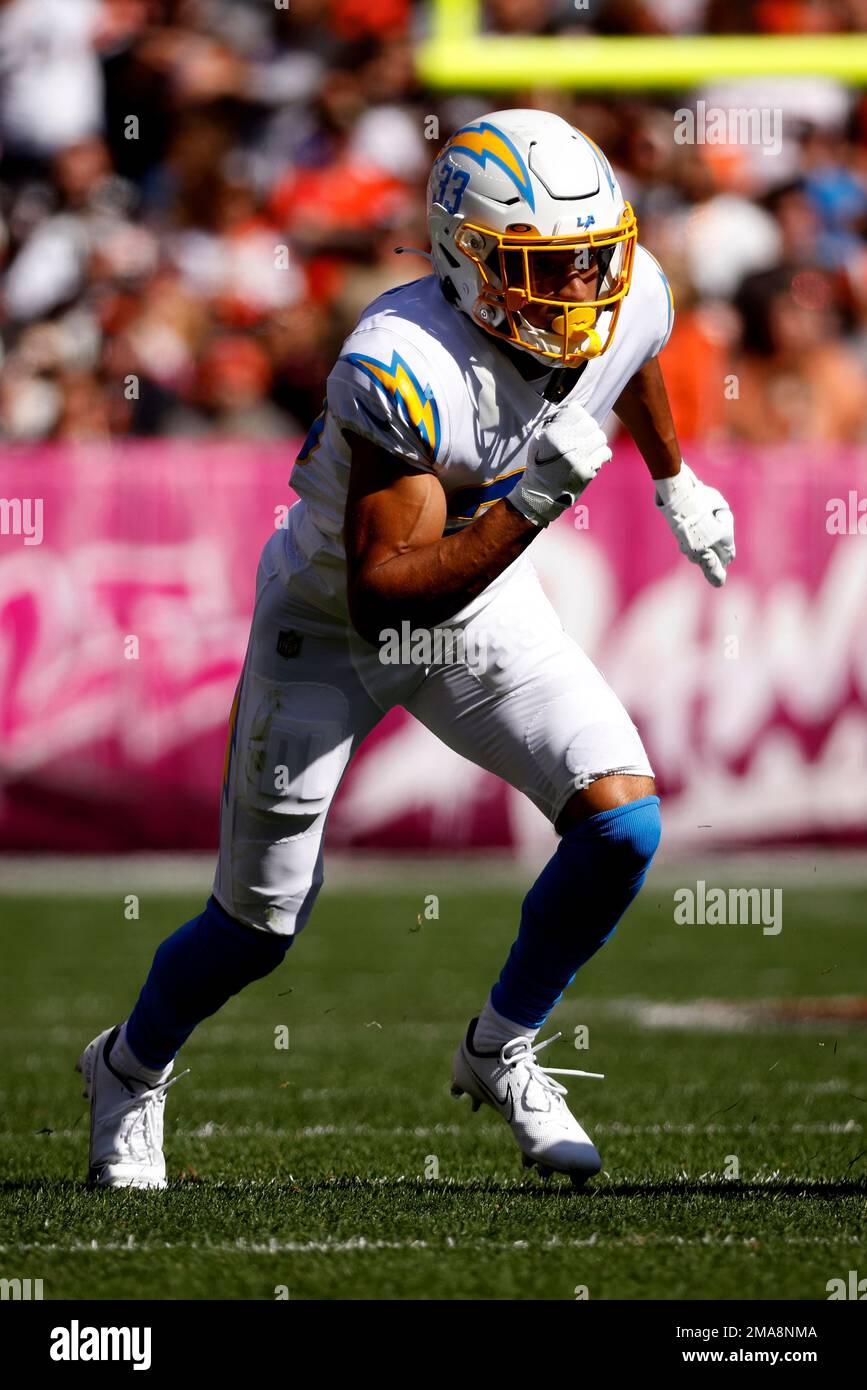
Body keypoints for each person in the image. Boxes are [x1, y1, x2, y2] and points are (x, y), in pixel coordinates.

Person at [77, 109, 735, 1190]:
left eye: (591, 261)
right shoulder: (402, 363)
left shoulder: (619, 290)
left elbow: (637, 346)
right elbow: (387, 595)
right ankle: (129, 1068)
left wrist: (674, 478)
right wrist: (532, 504)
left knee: (621, 824)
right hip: (335, 625)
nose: (582, 293)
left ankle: (501, 1047)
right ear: (469, 262)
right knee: (256, 925)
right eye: (546, 269)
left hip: (478, 604)